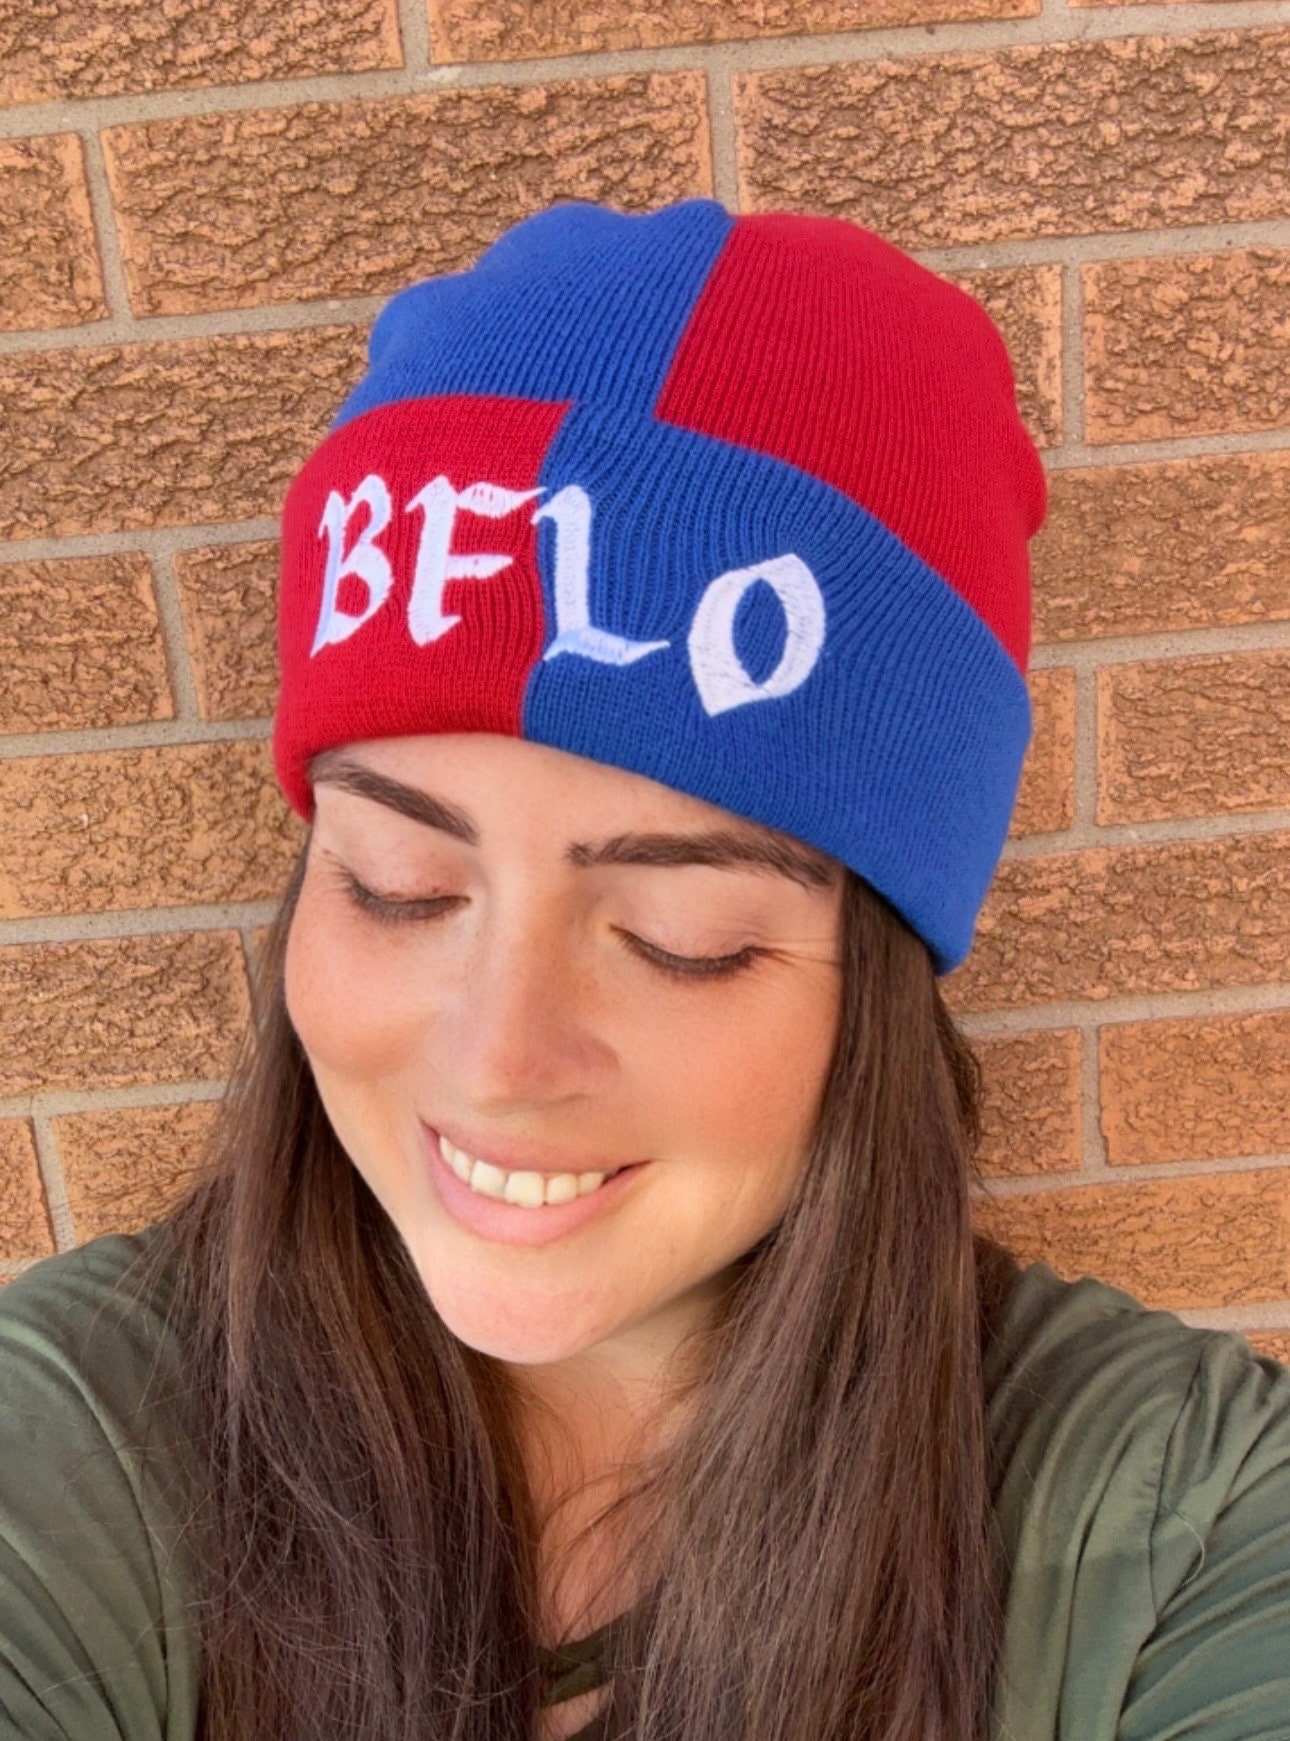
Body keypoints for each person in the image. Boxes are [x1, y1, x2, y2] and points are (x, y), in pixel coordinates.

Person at [1, 197, 1287, 1741]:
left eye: (684, 940)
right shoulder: (72, 1445)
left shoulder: (1180, 1522)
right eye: (397, 885)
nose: (497, 1056)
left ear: (875, 986)